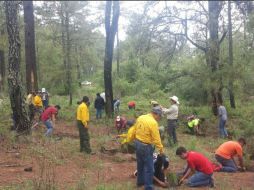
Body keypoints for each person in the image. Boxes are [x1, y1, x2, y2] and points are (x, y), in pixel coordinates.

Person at [128, 106, 164, 190]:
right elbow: (156, 138)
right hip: (145, 146)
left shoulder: (141, 117)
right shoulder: (153, 123)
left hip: (137, 143)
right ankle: (148, 187)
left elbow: (134, 129)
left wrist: (132, 139)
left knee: (140, 164)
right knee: (149, 168)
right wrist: (161, 149)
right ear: (156, 114)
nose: (159, 118)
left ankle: (140, 182)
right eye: (160, 116)